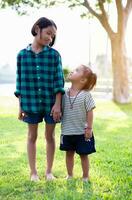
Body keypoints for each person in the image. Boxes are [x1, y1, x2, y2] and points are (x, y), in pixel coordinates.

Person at [14, 17, 64, 181]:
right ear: (37, 29)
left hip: (51, 104)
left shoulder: (54, 55)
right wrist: (20, 106)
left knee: (50, 137)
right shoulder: (22, 55)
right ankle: (33, 172)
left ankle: (49, 171)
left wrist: (57, 105)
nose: (50, 38)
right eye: (48, 33)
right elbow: (20, 82)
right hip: (30, 103)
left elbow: (59, 81)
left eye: (53, 36)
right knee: (31, 136)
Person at [60, 64, 97, 182]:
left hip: (82, 132)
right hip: (67, 131)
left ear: (82, 80)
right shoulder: (64, 93)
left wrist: (89, 128)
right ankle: (70, 175)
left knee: (84, 155)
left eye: (76, 70)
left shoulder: (86, 95)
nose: (72, 70)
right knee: (69, 154)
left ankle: (85, 176)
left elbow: (90, 111)